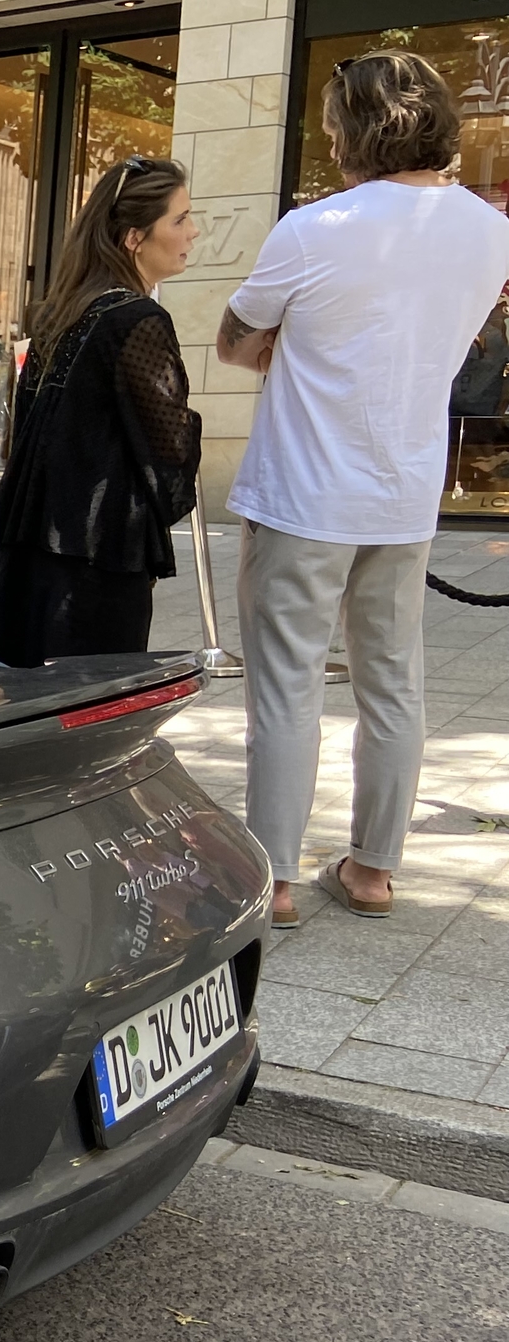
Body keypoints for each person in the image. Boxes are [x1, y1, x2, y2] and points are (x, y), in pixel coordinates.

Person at [216, 50, 509, 927]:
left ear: (351, 127)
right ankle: (374, 868)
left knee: (287, 687)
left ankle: (271, 876)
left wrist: (288, 344)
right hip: (407, 487)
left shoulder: (315, 228)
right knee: (394, 682)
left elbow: (235, 340)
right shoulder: (488, 229)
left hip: (304, 491)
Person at [0, 157, 203, 667]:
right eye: (179, 219)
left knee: (23, 692)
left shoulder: (61, 312)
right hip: (98, 552)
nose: (194, 230)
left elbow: (27, 426)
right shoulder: (138, 319)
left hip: (33, 547)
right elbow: (170, 449)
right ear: (133, 238)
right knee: (87, 701)